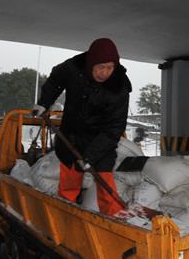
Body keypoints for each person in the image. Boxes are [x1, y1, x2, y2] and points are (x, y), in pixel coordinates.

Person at [32, 38, 131, 216]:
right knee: (69, 184)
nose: (105, 73)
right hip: (72, 137)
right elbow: (56, 79)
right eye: (101, 67)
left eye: (110, 67)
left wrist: (90, 156)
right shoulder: (74, 68)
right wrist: (44, 102)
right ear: (91, 63)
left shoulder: (119, 88)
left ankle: (117, 222)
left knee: (106, 185)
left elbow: (114, 128)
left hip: (101, 141)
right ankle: (64, 217)